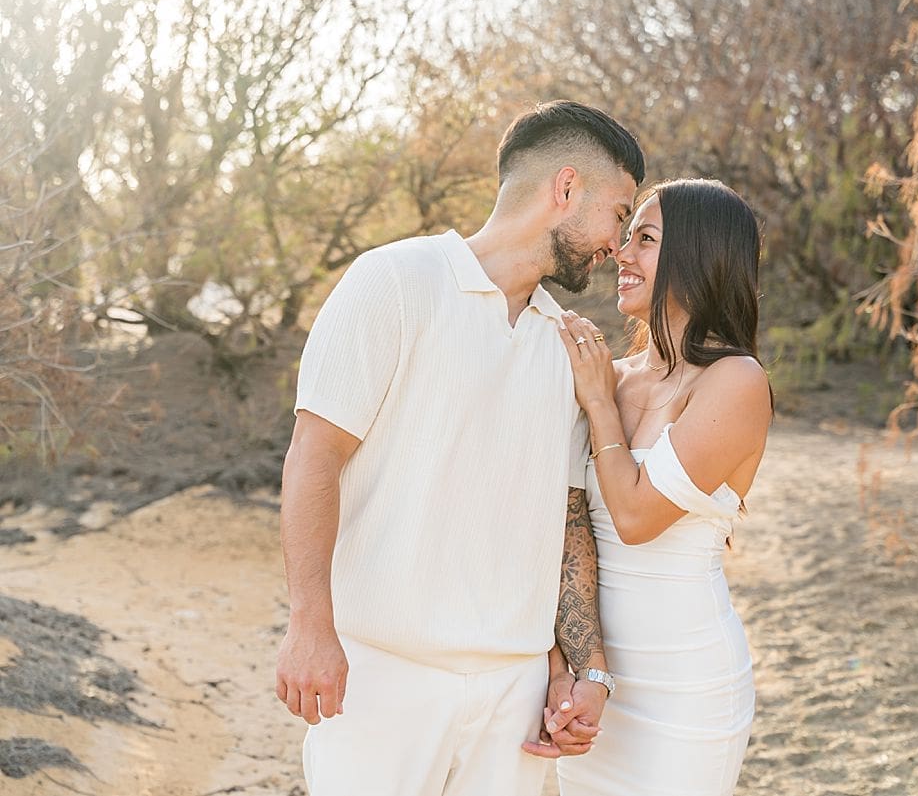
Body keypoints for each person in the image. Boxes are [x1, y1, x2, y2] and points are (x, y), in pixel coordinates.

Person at [274, 100, 644, 796]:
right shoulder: (393, 282)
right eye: (620, 214)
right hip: (382, 675)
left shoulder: (567, 340)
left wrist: (573, 665)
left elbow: (566, 519)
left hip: (514, 694)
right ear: (565, 189)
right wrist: (308, 624)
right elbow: (313, 456)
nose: (619, 246)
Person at [549, 179, 772, 796]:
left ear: (698, 256)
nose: (621, 254)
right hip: (591, 678)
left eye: (645, 239)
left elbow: (637, 517)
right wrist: (567, 666)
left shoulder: (735, 381)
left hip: (684, 687)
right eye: (626, 238)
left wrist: (596, 403)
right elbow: (563, 523)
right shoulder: (611, 376)